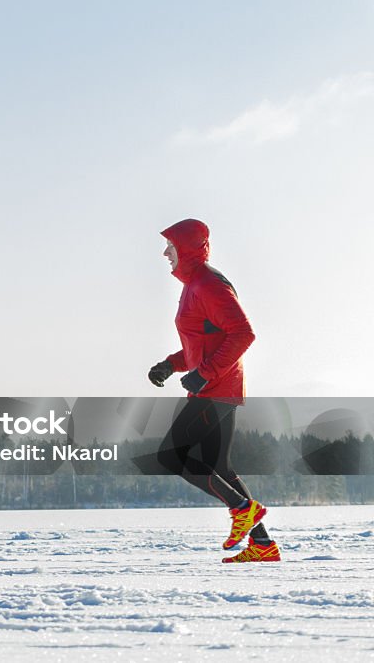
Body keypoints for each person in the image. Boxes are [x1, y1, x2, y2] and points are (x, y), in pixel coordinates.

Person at [148, 218, 280, 563]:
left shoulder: (208, 285)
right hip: (216, 386)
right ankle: (262, 544)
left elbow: (242, 333)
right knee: (220, 467)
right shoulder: (192, 286)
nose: (165, 253)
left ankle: (242, 509)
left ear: (188, 248)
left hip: (216, 388)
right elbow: (205, 340)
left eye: (171, 246)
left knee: (171, 456)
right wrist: (170, 364)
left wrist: (204, 374)